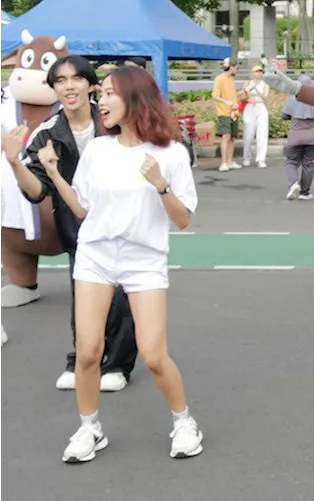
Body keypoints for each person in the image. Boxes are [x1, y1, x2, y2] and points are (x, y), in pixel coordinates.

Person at [40, 66, 201, 463]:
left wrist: (160, 184)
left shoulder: (172, 154)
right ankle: (89, 428)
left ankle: (184, 422)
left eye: (109, 93)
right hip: (95, 255)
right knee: (88, 351)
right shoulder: (98, 149)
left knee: (153, 355)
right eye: (103, 93)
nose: (102, 100)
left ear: (134, 98)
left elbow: (182, 219)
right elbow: (82, 208)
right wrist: (52, 173)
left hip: (143, 259)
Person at [3, 55, 137, 392]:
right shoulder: (47, 133)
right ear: (53, 89)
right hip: (79, 232)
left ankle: (117, 366)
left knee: (121, 300)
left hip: (124, 228)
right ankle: (81, 360)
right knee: (84, 298)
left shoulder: (114, 123)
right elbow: (37, 192)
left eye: (76, 79)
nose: (69, 86)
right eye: (60, 81)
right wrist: (14, 162)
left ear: (92, 85)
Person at [282, 74, 314, 201]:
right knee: (309, 164)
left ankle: (293, 184)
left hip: (295, 136)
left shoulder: (292, 98)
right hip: (312, 137)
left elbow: (284, 116)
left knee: (292, 162)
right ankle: (305, 192)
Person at [211, 59, 241, 173]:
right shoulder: (219, 79)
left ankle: (229, 161)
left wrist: (245, 91)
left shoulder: (230, 79)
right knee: (226, 137)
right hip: (224, 112)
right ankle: (223, 163)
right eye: (236, 67)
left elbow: (233, 95)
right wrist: (225, 101)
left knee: (232, 138)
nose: (236, 69)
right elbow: (214, 95)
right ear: (231, 67)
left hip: (233, 112)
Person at [240, 64, 270, 169]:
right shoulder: (247, 83)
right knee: (248, 134)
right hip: (250, 108)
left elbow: (266, 98)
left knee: (262, 134)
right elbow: (241, 97)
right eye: (256, 71)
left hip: (261, 107)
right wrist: (248, 95)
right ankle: (246, 157)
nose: (258, 73)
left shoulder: (265, 84)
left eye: (260, 71)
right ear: (252, 73)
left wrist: (257, 91)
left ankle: (261, 159)